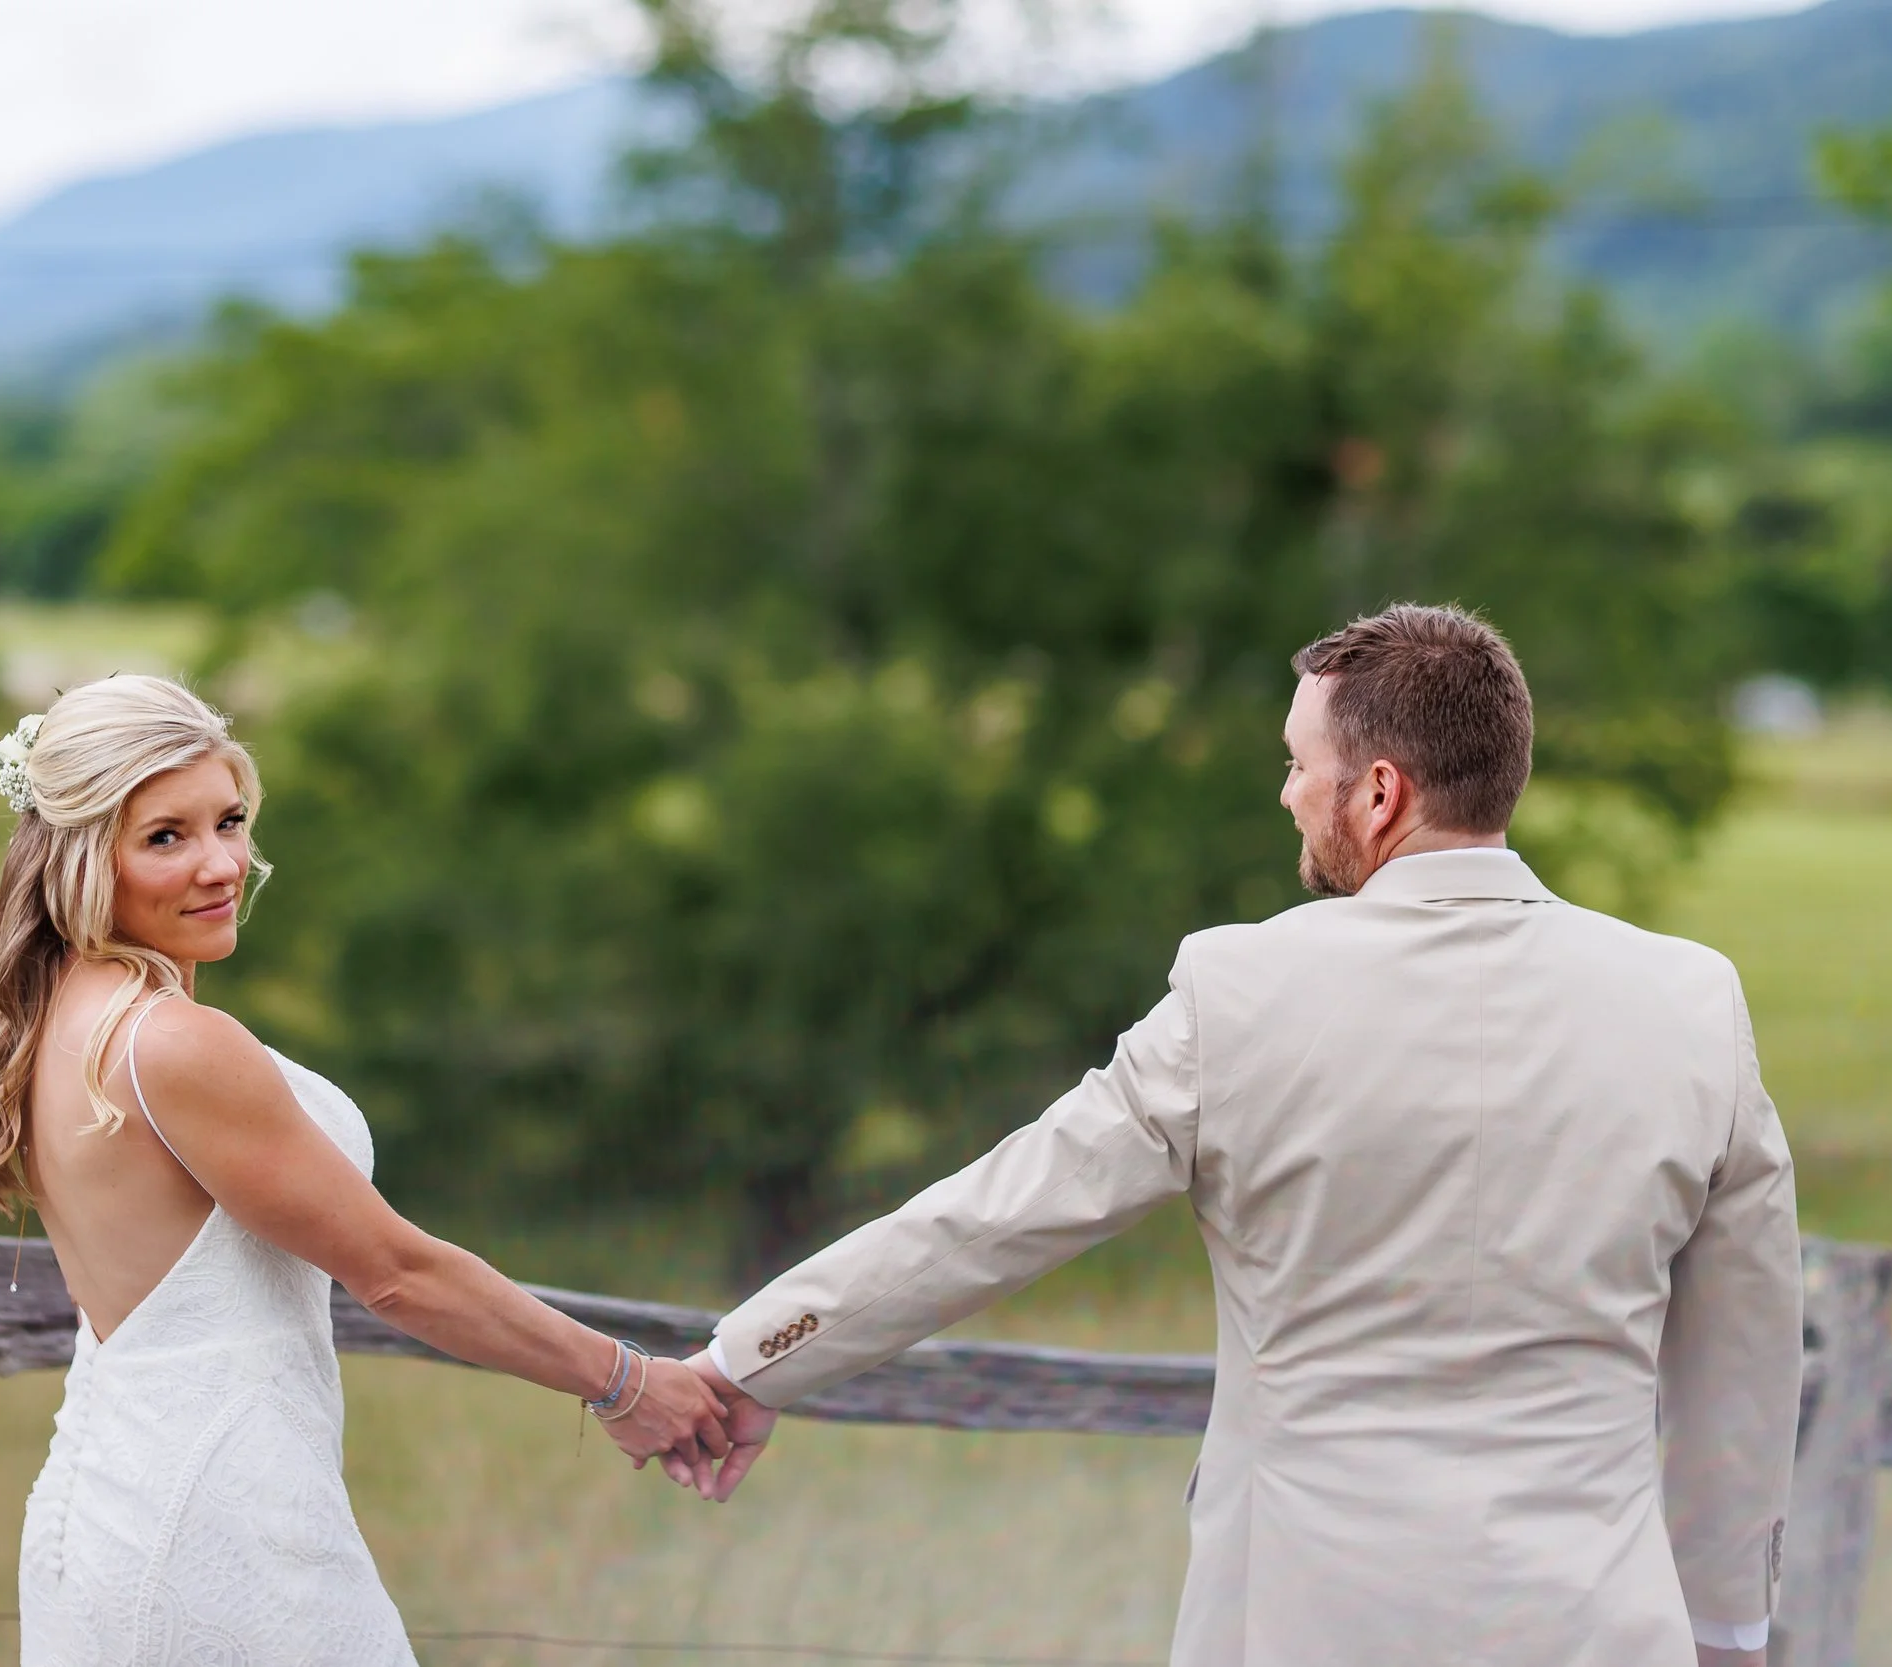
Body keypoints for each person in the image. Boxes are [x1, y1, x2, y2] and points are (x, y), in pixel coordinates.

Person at [673, 605, 1801, 1667]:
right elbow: (1743, 1354)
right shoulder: (1690, 1000)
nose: (1285, 793)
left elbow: (999, 1214)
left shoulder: (1241, 988)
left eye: (1297, 763)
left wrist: (745, 1359)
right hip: (1596, 1625)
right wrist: (1726, 1623)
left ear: (1376, 792)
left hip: (1302, 1621)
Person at [0, 673, 727, 1667]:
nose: (222, 863)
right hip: (225, 1526)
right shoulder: (173, 1041)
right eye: (166, 837)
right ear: (87, 855)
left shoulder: (51, 1017)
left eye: (229, 818)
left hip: (98, 1513)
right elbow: (397, 1269)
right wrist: (622, 1380)